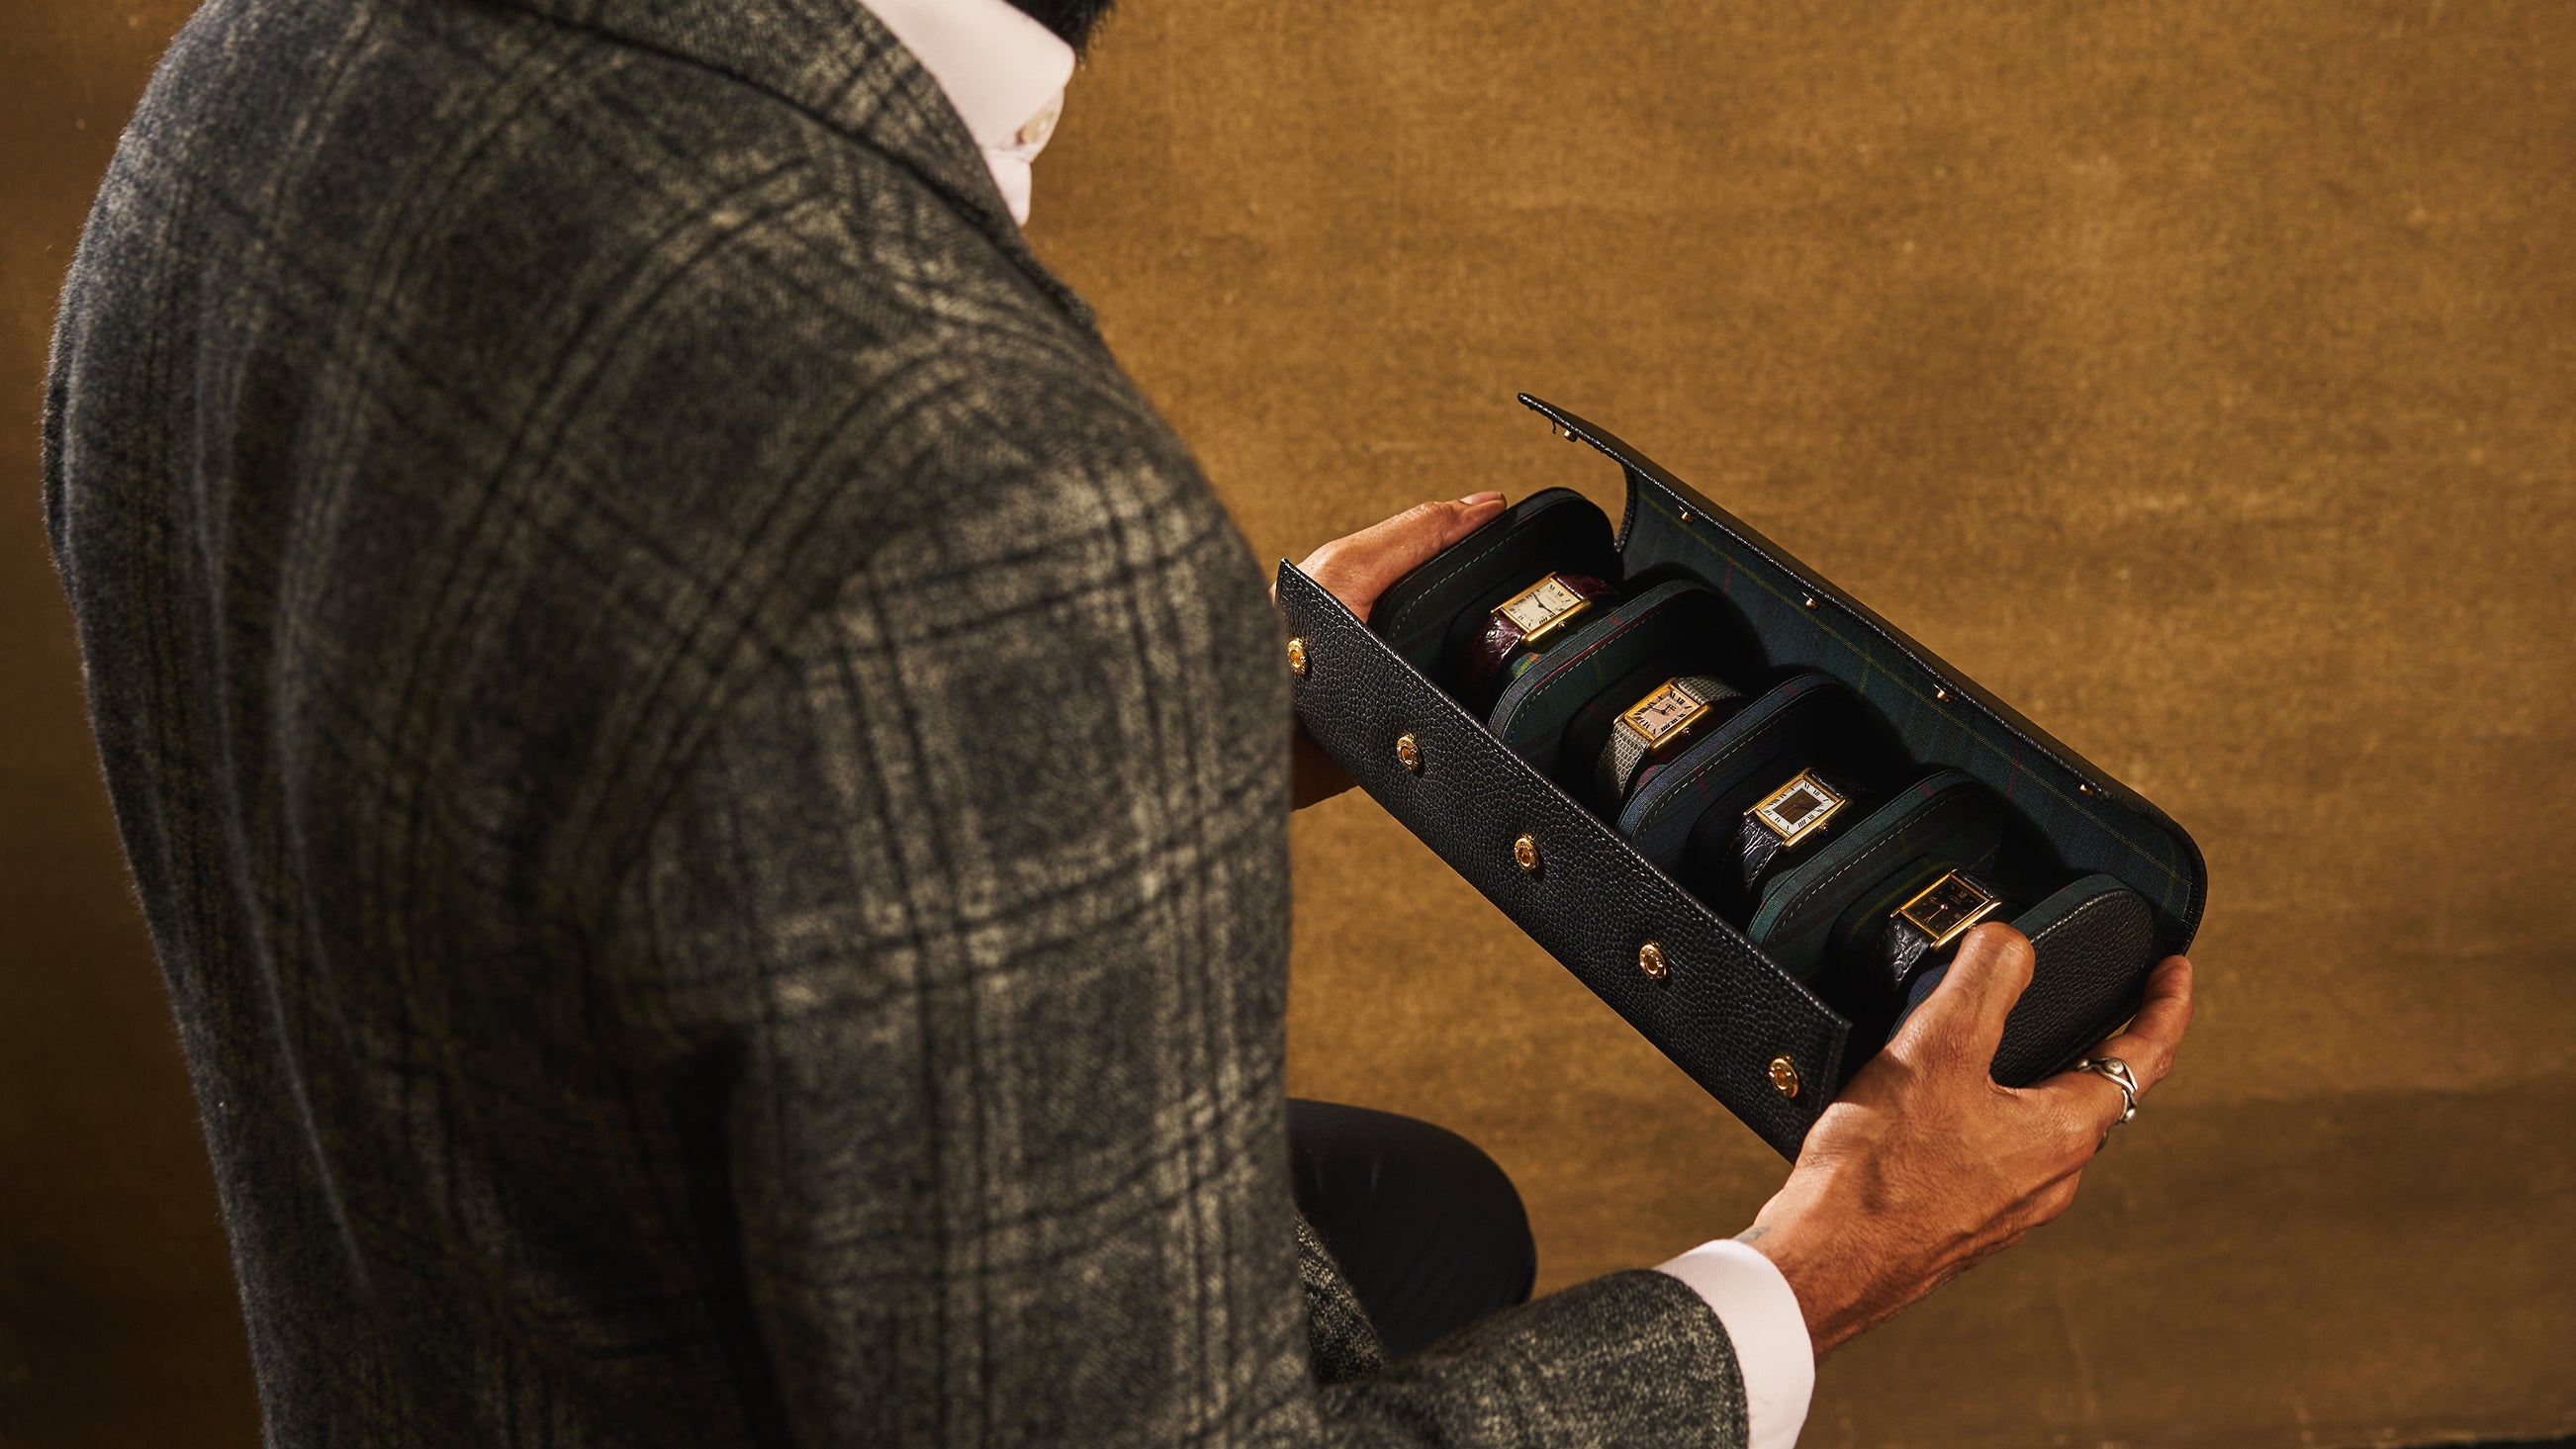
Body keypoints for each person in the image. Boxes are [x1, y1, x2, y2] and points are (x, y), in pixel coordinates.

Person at [41, 0, 2194, 1442]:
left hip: (432, 1317)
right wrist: (1805, 1280)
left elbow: (581, 696)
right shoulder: (990, 514)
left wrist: (1122, 746)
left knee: (1423, 1208)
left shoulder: (247, 84)